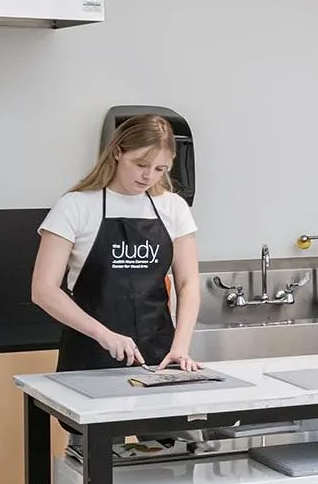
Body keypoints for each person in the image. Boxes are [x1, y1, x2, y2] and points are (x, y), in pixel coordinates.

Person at [31, 113, 201, 372]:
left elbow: (188, 284)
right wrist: (103, 335)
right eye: (140, 164)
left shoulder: (173, 208)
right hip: (90, 355)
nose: (148, 176)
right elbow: (43, 290)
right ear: (118, 152)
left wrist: (180, 346)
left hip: (159, 357)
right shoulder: (76, 206)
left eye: (160, 169)